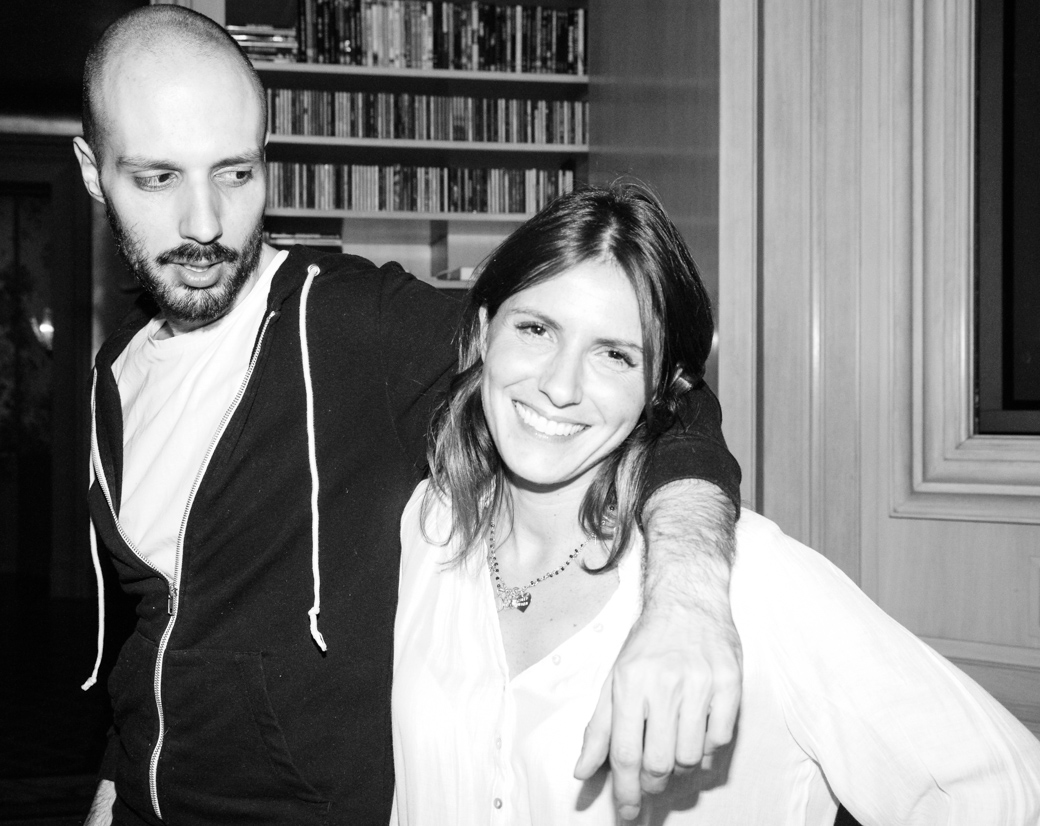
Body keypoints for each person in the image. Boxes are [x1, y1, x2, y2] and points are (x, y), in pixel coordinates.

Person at [75, 7, 744, 825]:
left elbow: (664, 399)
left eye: (236, 173)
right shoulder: (114, 369)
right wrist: (114, 785)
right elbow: (153, 623)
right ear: (92, 172)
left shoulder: (358, 325)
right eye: (157, 178)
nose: (205, 223)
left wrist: (687, 600)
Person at [391, 182, 1040, 825]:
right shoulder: (432, 526)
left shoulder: (753, 580)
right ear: (485, 333)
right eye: (536, 329)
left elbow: (1005, 791)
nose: (561, 386)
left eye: (614, 355)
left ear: (660, 388)